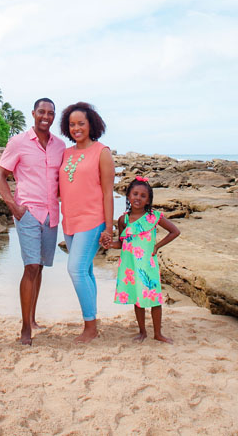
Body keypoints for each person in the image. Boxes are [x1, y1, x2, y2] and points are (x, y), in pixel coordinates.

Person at [0, 98, 66, 345]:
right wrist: (12, 205)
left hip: (51, 214)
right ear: (33, 114)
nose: (45, 116)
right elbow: (0, 174)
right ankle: (25, 328)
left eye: (50, 113)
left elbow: (65, 180)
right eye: (41, 112)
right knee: (31, 267)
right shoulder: (18, 142)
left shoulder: (60, 145)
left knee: (41, 267)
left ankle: (33, 317)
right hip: (27, 213)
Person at [58, 101, 115, 343]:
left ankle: (90, 327)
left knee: (76, 269)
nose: (76, 128)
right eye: (72, 124)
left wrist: (109, 228)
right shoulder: (66, 153)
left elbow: (108, 192)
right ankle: (92, 319)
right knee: (87, 271)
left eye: (81, 123)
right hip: (69, 220)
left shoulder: (102, 152)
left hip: (92, 220)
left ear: (91, 124)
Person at [103, 176, 181, 343]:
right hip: (130, 265)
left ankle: (158, 333)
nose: (138, 198)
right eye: (135, 194)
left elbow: (175, 232)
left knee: (154, 299)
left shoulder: (154, 217)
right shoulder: (123, 219)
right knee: (138, 299)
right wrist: (110, 245)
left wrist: (157, 246)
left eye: (143, 196)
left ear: (148, 200)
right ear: (129, 196)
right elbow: (123, 244)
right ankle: (142, 331)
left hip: (147, 264)